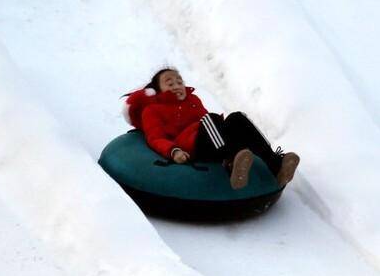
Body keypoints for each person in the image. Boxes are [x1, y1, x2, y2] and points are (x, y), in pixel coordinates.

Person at [123, 68, 300, 190]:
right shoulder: (152, 110)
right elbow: (155, 138)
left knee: (237, 118)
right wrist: (174, 151)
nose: (177, 85)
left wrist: (226, 128)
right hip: (190, 146)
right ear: (157, 90)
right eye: (170, 83)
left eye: (179, 81)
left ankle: (276, 164)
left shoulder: (193, 101)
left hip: (209, 140)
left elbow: (209, 125)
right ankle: (231, 160)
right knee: (211, 119)